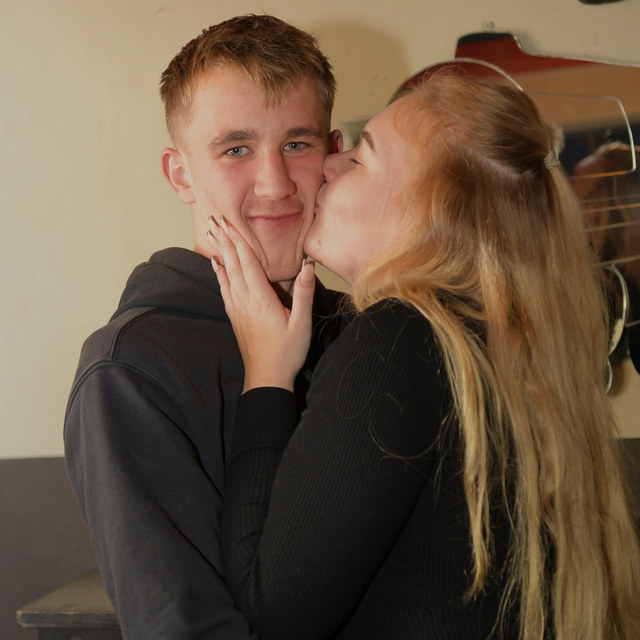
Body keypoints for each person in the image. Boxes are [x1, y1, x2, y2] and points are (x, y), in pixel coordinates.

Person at [210, 71, 640, 639]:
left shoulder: (398, 340)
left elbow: (270, 611)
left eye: (362, 157)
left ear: (429, 212)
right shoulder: (492, 342)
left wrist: (266, 373)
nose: (330, 166)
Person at [64, 14, 343, 639]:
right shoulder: (130, 369)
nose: (275, 184)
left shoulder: (365, 332)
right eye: (236, 149)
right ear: (180, 174)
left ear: (333, 152)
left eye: (298, 144)